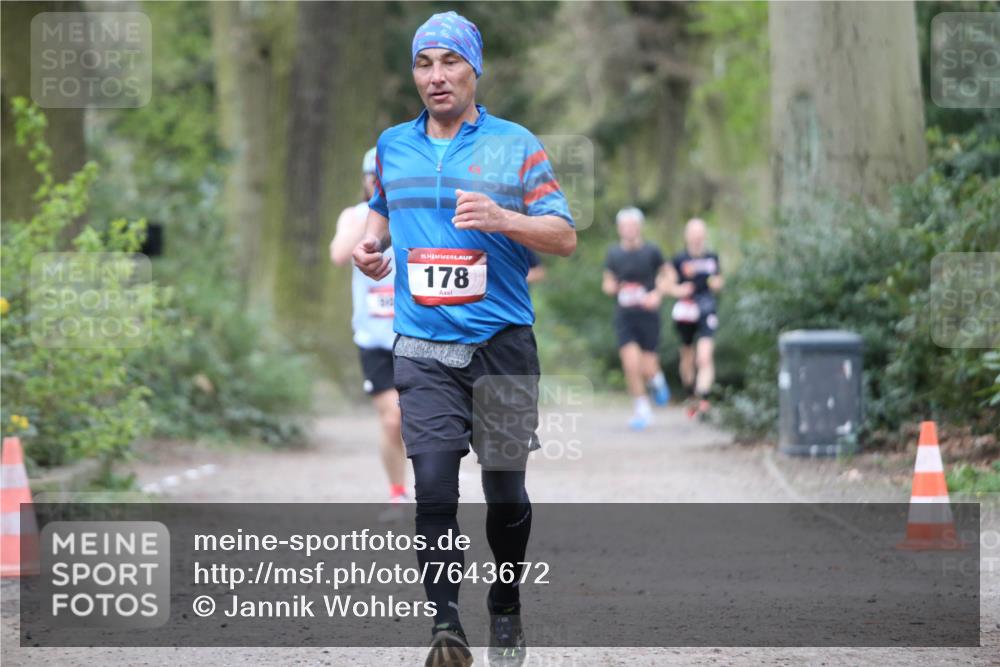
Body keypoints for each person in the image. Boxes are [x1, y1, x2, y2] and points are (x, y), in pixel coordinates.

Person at [352, 11, 575, 667]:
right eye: (425, 63)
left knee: (506, 493)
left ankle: (504, 606)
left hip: (502, 345)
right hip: (422, 348)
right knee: (435, 488)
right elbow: (381, 217)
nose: (437, 76)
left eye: (450, 62)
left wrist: (505, 217)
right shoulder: (394, 143)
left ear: (475, 69)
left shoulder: (517, 145)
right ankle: (446, 627)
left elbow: (563, 235)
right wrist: (371, 249)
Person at [330, 147, 409, 516]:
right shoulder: (356, 215)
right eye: (372, 176)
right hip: (374, 339)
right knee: (393, 418)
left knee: (422, 419)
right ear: (365, 181)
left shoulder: (417, 214)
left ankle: (433, 492)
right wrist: (370, 226)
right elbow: (339, 254)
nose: (377, 182)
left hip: (416, 335)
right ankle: (397, 492)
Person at [602, 207, 671, 431]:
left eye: (633, 225)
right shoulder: (614, 254)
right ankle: (642, 409)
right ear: (620, 229)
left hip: (648, 315)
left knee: (647, 367)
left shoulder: (652, 251)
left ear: (639, 227)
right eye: (625, 226)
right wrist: (613, 288)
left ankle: (657, 380)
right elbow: (607, 283)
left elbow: (669, 274)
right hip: (625, 316)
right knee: (631, 364)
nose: (629, 230)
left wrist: (657, 294)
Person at [664, 218, 723, 417]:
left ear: (704, 235)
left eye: (700, 233)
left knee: (704, 357)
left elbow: (719, 281)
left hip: (707, 308)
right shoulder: (679, 259)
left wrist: (716, 283)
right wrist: (679, 290)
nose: (697, 237)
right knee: (687, 356)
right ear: (687, 236)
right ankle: (691, 395)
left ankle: (704, 397)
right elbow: (668, 286)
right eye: (693, 233)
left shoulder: (712, 257)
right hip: (686, 311)